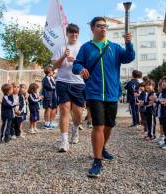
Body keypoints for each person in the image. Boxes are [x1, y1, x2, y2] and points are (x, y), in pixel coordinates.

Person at [72, 16, 135, 178]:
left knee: (109, 125)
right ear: (92, 29)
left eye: (105, 26)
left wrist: (129, 43)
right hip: (94, 92)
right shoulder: (86, 48)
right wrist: (80, 69)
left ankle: (102, 147)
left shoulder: (114, 47)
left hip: (112, 93)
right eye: (100, 26)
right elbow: (76, 65)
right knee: (98, 126)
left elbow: (129, 57)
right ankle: (97, 160)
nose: (103, 28)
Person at [52, 23, 85, 152]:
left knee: (78, 113)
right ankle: (64, 140)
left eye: (76, 33)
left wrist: (75, 61)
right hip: (62, 81)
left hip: (79, 83)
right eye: (71, 33)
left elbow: (86, 64)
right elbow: (54, 66)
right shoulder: (61, 47)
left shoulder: (82, 47)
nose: (74, 35)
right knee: (64, 110)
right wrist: (64, 56)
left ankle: (75, 129)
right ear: (67, 34)